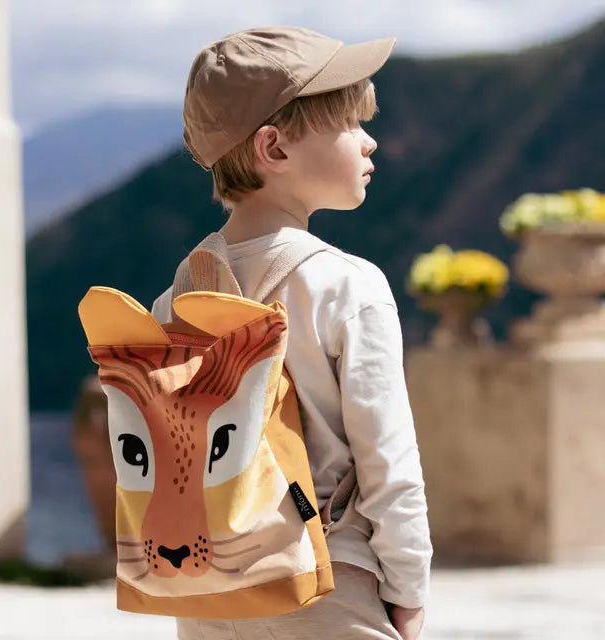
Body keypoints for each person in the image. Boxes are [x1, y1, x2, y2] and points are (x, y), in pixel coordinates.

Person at [152, 25, 433, 640]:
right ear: (273, 148)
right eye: (351, 124)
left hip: (205, 586)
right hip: (323, 578)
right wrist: (408, 589)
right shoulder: (345, 286)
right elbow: (388, 460)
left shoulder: (174, 298)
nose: (370, 141)